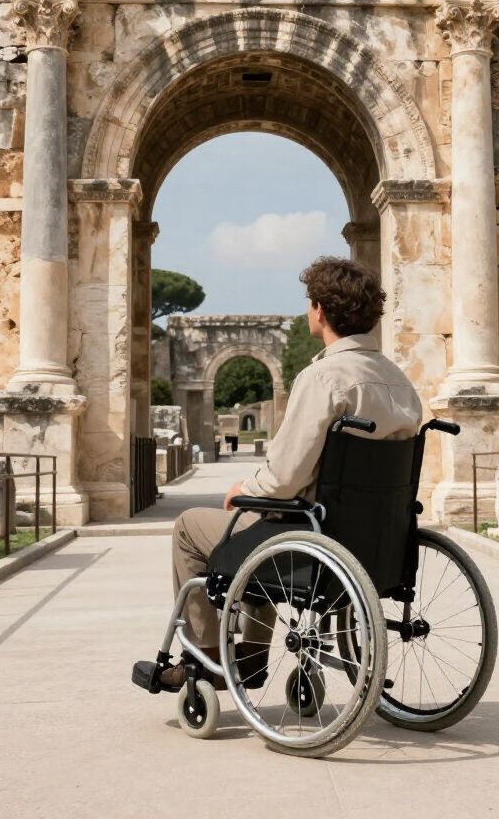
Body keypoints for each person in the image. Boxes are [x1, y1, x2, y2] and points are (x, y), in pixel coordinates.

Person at [159, 256, 423, 690]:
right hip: (379, 541)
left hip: (314, 539)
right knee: (259, 524)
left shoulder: (323, 378)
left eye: (309, 304)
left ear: (319, 310)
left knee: (195, 526)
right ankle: (252, 654)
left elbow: (283, 480)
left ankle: (208, 659)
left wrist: (245, 486)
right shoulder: (401, 382)